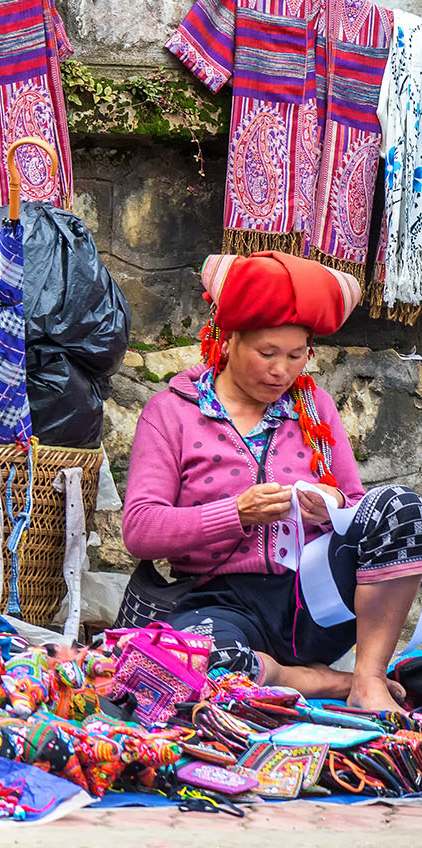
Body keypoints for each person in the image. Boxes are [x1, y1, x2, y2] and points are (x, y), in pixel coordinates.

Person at [123, 251, 422, 712]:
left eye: (296, 355)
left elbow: (363, 508)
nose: (282, 370)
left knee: (400, 507)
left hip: (315, 599)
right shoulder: (172, 413)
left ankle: (367, 678)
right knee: (192, 666)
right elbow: (141, 529)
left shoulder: (314, 406)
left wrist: (334, 505)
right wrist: (235, 512)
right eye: (267, 353)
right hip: (218, 601)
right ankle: (318, 682)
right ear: (227, 342)